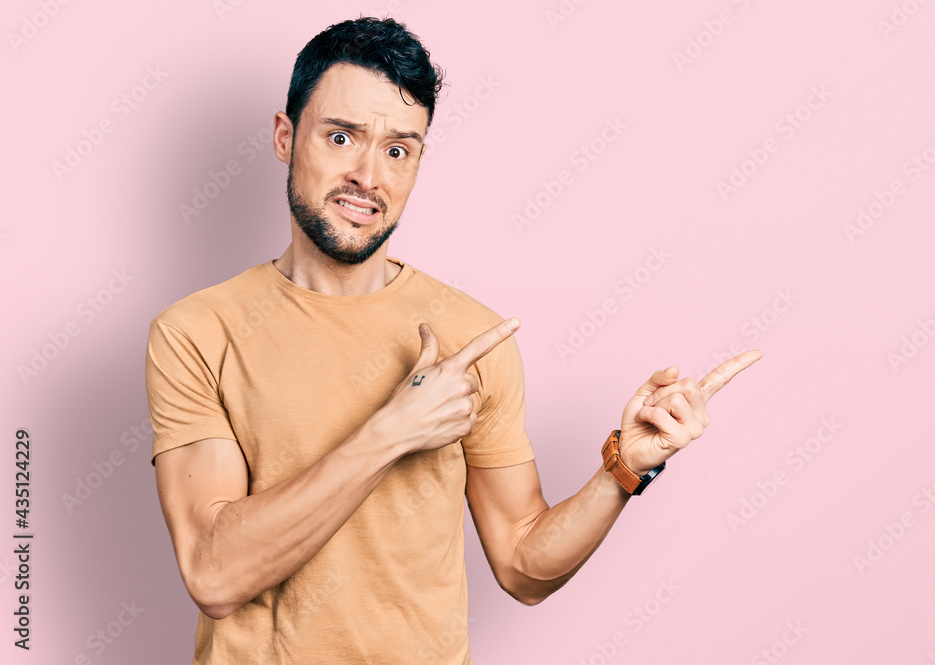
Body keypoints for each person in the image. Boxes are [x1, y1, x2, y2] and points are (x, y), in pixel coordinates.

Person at [145, 15, 762, 665]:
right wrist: (393, 429)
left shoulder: (474, 337)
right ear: (284, 135)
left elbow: (523, 564)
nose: (367, 174)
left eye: (397, 149)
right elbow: (214, 573)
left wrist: (623, 468)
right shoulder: (197, 332)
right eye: (340, 136)